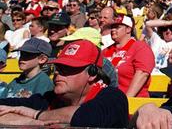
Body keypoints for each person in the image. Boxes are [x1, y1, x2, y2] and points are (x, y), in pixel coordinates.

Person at [0, 40, 128, 127]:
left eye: (68, 69)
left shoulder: (113, 97)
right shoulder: (50, 98)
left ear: (92, 73)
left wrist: (36, 115)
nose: (58, 73)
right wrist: (23, 120)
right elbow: (6, 105)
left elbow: (87, 117)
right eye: (58, 68)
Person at [102, 15, 155, 97]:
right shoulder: (105, 51)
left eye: (117, 27)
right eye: (112, 27)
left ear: (128, 29)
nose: (113, 30)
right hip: (107, 99)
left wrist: (126, 101)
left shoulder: (140, 47)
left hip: (133, 101)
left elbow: (142, 73)